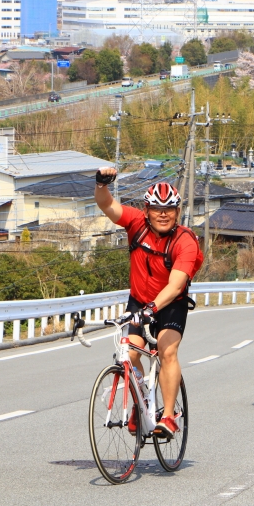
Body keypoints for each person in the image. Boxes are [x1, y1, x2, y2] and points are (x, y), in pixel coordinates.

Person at [93, 167, 203, 439]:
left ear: (177, 212)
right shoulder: (136, 224)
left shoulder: (185, 241)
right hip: (139, 301)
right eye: (156, 208)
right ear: (146, 210)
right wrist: (100, 184)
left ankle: (167, 416)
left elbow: (176, 285)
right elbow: (107, 205)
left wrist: (152, 309)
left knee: (166, 352)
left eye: (169, 209)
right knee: (128, 355)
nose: (163, 214)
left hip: (170, 304)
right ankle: (141, 401)